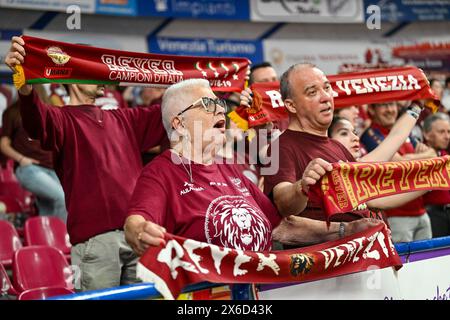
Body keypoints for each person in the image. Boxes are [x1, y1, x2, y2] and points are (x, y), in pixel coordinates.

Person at [124, 79, 381, 254]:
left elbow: (281, 227)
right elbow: (136, 222)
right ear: (179, 124)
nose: (219, 112)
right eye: (208, 105)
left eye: (220, 105)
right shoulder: (160, 172)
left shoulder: (229, 168)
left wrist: (348, 229)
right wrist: (138, 231)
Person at [5, 36, 166, 290]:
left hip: (138, 236)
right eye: (92, 68)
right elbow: (35, 119)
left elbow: (173, 110)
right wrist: (25, 87)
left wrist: (216, 89)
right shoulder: (61, 120)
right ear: (72, 74)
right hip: (96, 244)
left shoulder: (125, 119)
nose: (100, 76)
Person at [263, 63, 427, 243]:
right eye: (312, 92)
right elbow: (282, 204)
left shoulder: (337, 147)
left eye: (327, 88)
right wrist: (301, 187)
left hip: (368, 256)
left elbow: (375, 197)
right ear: (291, 106)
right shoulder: (279, 147)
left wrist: (438, 177)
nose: (325, 97)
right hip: (332, 265)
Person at [361, 101, 435, 242]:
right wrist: (414, 159)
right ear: (371, 109)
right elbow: (398, 164)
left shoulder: (405, 131)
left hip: (421, 212)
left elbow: (432, 153)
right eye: (384, 105)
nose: (389, 109)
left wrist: (408, 158)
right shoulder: (370, 134)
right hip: (396, 216)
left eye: (392, 104)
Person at [0, 97, 67, 222]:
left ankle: (47, 239)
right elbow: (3, 144)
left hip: (53, 168)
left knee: (49, 209)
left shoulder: (50, 110)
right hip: (30, 168)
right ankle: (62, 238)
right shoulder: (13, 111)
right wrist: (21, 159)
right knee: (62, 198)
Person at [422, 113, 450, 237]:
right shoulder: (420, 156)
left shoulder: (445, 154)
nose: (447, 136)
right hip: (432, 214)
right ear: (427, 134)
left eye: (449, 132)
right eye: (441, 132)